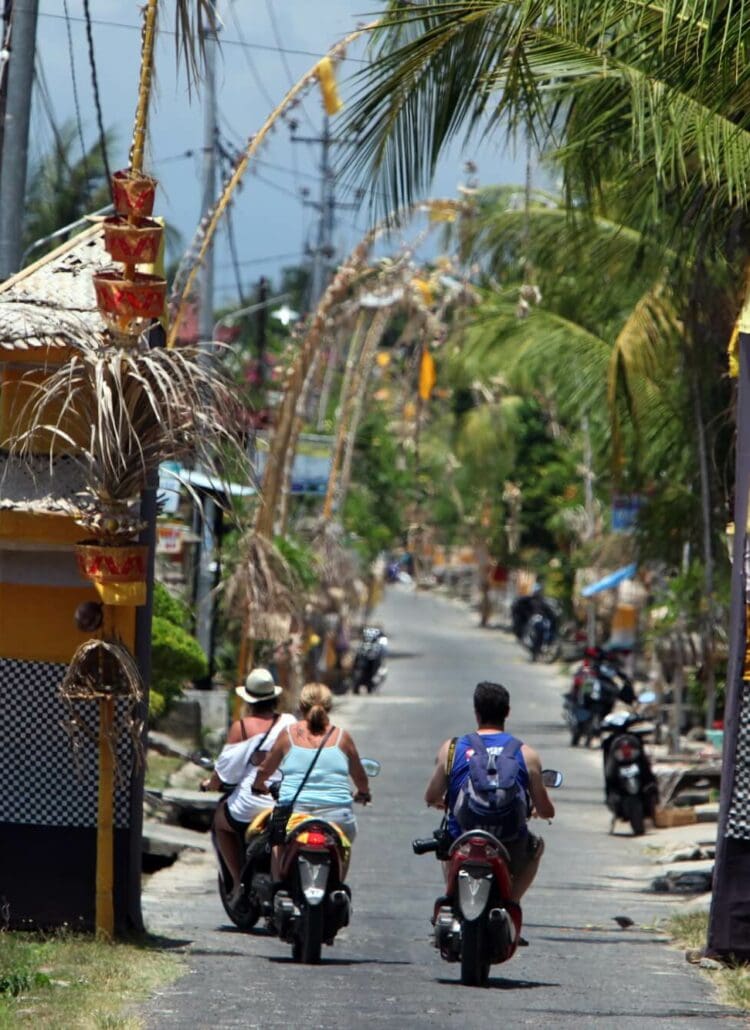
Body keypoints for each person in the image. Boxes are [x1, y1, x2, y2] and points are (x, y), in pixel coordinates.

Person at [424, 681, 555, 904]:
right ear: (507, 712)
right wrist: (537, 810)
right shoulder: (526, 754)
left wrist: (442, 802)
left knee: (446, 841)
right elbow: (546, 810)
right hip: (510, 841)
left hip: (463, 836)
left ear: (476, 713)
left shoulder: (453, 748)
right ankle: (511, 904)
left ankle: (451, 897)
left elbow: (431, 796)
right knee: (537, 848)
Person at [254, 682, 370, 877]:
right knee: (343, 849)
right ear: (330, 708)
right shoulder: (343, 737)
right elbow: (359, 776)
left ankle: (278, 887)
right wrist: (364, 793)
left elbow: (265, 770)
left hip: (294, 815)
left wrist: (259, 785)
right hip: (337, 818)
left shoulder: (288, 734)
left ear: (301, 706)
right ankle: (338, 887)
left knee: (277, 841)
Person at [202, 668, 296, 905]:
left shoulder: (241, 728)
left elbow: (225, 771)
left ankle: (236, 883)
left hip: (252, 802)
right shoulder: (289, 722)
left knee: (220, 822)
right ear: (274, 697)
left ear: (248, 700)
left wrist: (210, 785)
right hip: (286, 800)